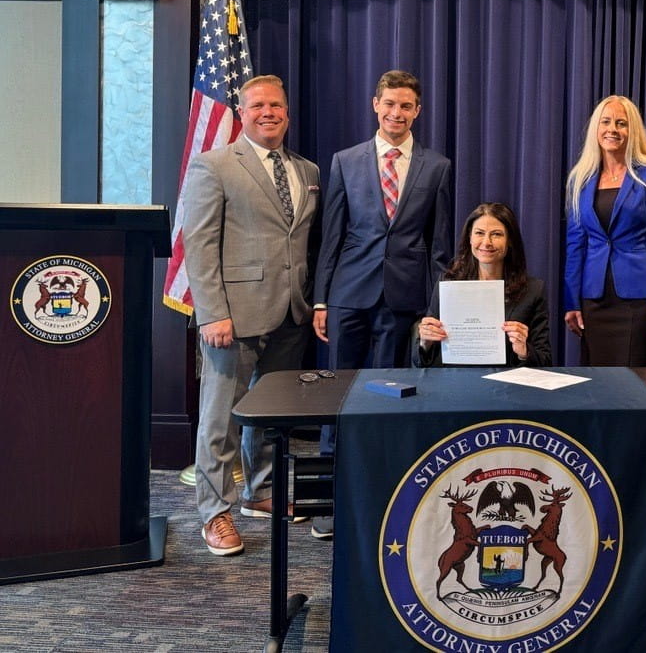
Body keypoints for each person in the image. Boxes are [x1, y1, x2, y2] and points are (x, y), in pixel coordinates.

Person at [182, 75, 320, 556]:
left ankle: (259, 491)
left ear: (287, 111)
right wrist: (212, 313)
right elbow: (198, 244)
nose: (269, 113)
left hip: (290, 311)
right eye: (259, 105)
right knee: (220, 418)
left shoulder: (307, 170)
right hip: (232, 317)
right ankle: (213, 513)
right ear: (242, 112)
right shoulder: (214, 165)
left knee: (270, 414)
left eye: (277, 105)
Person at [312, 69, 452, 539]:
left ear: (417, 111)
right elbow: (331, 235)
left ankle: (388, 494)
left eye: (406, 106)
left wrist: (435, 305)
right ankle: (332, 497)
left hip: (405, 297)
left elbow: (439, 246)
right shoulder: (345, 161)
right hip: (350, 293)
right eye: (389, 104)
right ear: (375, 105)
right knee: (341, 393)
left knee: (393, 393)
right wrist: (320, 300)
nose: (396, 113)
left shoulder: (437, 167)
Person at [563, 95, 646, 366]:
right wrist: (571, 301)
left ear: (633, 130)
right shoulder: (580, 178)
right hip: (594, 300)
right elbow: (575, 245)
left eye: (621, 123)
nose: (612, 129)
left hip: (639, 301)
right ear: (596, 128)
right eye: (605, 122)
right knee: (597, 386)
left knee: (636, 386)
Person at [416, 202, 552, 368]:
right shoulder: (448, 284)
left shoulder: (533, 290)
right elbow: (423, 361)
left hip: (507, 387)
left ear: (510, 241)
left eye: (496, 234)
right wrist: (425, 342)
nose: (486, 242)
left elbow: (545, 360)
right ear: (470, 238)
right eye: (479, 233)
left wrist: (524, 351)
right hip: (456, 384)